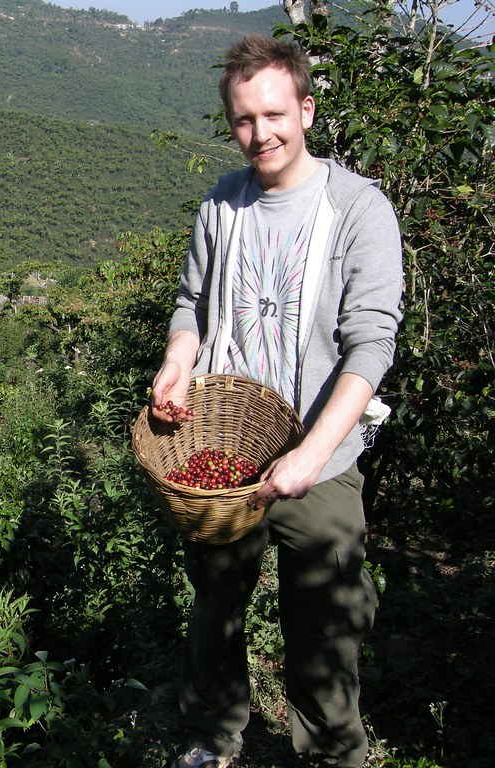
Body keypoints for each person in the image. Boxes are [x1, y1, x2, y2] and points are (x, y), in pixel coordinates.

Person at [149, 35, 403, 768]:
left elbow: (370, 348)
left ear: (307, 109)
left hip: (320, 463)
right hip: (223, 457)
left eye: (273, 114)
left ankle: (329, 755)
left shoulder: (358, 209)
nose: (260, 134)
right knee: (216, 608)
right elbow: (191, 303)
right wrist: (176, 362)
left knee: (325, 626)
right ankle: (214, 736)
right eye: (242, 119)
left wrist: (311, 454)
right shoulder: (222, 204)